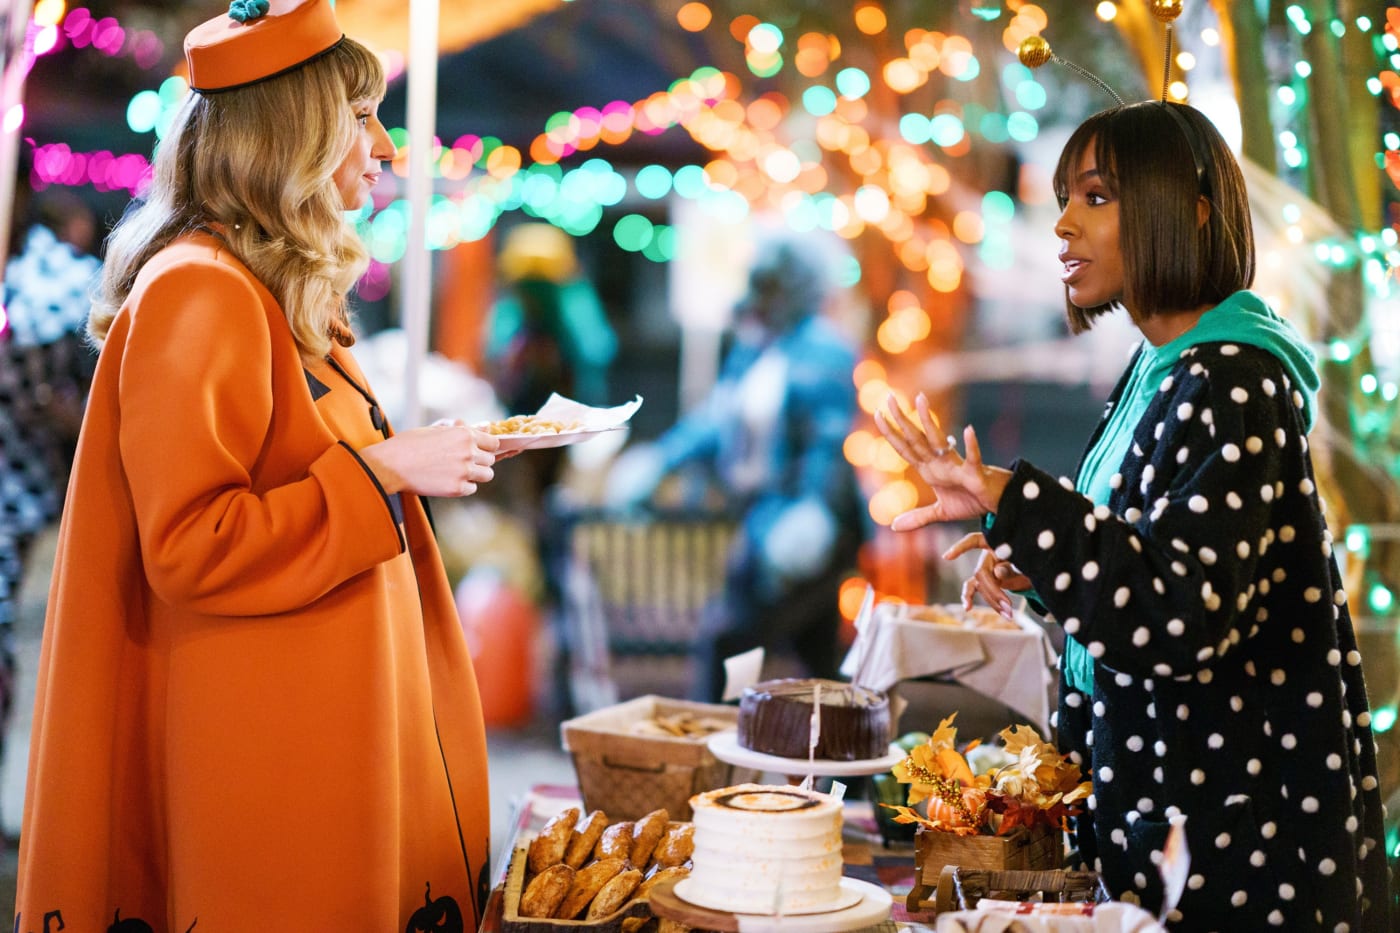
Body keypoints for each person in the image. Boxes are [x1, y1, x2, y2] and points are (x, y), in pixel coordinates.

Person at [15, 2, 501, 930]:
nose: (383, 144)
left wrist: (399, 463)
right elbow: (194, 543)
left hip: (307, 741)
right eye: (360, 116)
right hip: (266, 764)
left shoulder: (252, 287)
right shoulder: (202, 291)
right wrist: (385, 469)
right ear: (296, 132)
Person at [875, 101, 1391, 929]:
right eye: (1065, 200)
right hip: (1165, 810)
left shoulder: (1230, 378)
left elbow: (1181, 616)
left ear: (1187, 211)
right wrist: (1038, 562)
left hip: (1233, 842)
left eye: (1097, 197)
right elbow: (1139, 562)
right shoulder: (1163, 370)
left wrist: (1019, 502)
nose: (1064, 226)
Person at [607, 231, 867, 702]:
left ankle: (721, 745)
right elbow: (716, 420)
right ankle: (839, 765)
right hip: (764, 518)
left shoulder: (824, 350)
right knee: (817, 659)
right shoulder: (757, 347)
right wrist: (660, 461)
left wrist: (811, 510)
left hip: (810, 528)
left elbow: (825, 444)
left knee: (732, 640)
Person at [0, 152, 100, 830]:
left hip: (29, 495)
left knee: (20, 658)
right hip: (28, 487)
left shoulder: (56, 281)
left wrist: (67, 413)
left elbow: (97, 392)